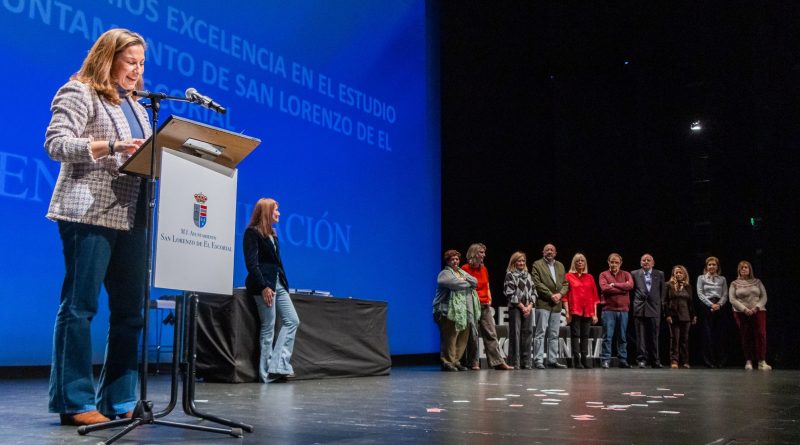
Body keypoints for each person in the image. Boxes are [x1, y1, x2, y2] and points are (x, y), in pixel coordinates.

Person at [45, 28, 152, 426]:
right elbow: (56, 143)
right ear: (108, 58)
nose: (137, 70)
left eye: (141, 64)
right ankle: (74, 401)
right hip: (88, 212)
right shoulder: (80, 92)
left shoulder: (139, 107)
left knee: (130, 312)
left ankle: (119, 399)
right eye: (130, 62)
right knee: (80, 307)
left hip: (132, 215)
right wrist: (109, 146)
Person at [244, 198, 300, 382]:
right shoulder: (252, 233)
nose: (279, 213)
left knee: (292, 320)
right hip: (264, 285)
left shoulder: (273, 234)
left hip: (278, 284)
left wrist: (283, 283)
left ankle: (279, 365)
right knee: (268, 327)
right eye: (276, 209)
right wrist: (263, 286)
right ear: (267, 211)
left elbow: (276, 263)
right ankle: (266, 374)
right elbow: (252, 265)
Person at [460, 243, 513, 370]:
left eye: (484, 252)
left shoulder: (484, 269)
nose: (484, 255)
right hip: (472, 305)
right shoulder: (465, 268)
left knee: (491, 333)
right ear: (473, 254)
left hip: (485, 305)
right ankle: (473, 362)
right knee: (473, 334)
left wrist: (489, 297)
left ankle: (497, 362)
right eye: (481, 252)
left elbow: (487, 285)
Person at [433, 250, 479, 371]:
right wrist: (467, 282)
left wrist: (465, 280)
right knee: (450, 336)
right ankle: (447, 361)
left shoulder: (461, 272)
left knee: (463, 336)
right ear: (447, 261)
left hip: (463, 311)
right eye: (452, 259)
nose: (455, 261)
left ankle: (456, 360)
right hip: (446, 310)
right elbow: (454, 284)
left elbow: (475, 281)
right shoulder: (444, 273)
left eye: (457, 259)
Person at [531, 243, 569, 369]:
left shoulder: (560, 265)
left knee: (554, 333)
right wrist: (550, 294)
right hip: (543, 303)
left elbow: (565, 284)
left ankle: (552, 360)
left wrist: (560, 294)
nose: (549, 251)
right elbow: (537, 283)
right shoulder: (537, 264)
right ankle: (538, 360)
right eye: (547, 250)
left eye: (552, 250)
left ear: (555, 253)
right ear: (543, 252)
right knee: (540, 332)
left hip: (557, 305)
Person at [729, 261, 771, 370]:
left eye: (746, 267)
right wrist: (744, 309)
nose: (744, 269)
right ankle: (748, 361)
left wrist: (756, 307)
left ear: (749, 269)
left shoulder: (757, 282)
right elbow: (732, 299)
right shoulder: (734, 283)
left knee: (761, 335)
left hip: (758, 311)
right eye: (742, 268)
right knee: (746, 336)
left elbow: (764, 297)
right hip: (741, 313)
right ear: (739, 270)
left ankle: (762, 361)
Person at [563, 253, 599, 368]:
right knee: (575, 335)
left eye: (582, 260)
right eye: (577, 261)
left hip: (588, 311)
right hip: (575, 310)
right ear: (574, 263)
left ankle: (584, 359)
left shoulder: (590, 277)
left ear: (585, 263)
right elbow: (565, 296)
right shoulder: (568, 276)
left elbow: (594, 297)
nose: (580, 262)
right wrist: (567, 312)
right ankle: (577, 361)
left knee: (585, 335)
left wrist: (595, 314)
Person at [598, 253, 634, 368]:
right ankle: (605, 360)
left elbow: (630, 286)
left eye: (616, 262)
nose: (614, 264)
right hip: (608, 310)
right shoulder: (603, 274)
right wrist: (622, 289)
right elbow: (605, 288)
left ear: (620, 263)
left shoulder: (626, 274)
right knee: (607, 336)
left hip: (623, 310)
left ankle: (622, 360)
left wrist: (614, 284)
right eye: (612, 262)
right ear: (608, 262)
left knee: (622, 337)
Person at [631, 253, 665, 368]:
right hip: (640, 308)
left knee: (654, 336)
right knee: (640, 337)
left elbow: (662, 292)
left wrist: (660, 306)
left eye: (648, 260)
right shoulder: (634, 274)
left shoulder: (659, 274)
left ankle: (655, 360)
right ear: (640, 263)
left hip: (654, 308)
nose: (646, 262)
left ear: (653, 263)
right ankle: (642, 359)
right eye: (644, 260)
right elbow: (632, 292)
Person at [503, 252, 536, 369]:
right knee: (515, 334)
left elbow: (534, 292)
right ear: (514, 262)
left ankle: (526, 362)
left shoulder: (528, 275)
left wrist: (530, 306)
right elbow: (509, 293)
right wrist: (522, 307)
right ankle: (514, 362)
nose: (521, 263)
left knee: (528, 333)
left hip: (528, 307)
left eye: (523, 261)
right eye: (519, 261)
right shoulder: (510, 275)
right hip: (515, 307)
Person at [696, 256, 729, 368]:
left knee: (719, 334)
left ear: (717, 267)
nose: (711, 266)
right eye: (709, 265)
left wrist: (719, 305)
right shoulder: (701, 278)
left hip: (720, 306)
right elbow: (700, 294)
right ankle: (709, 361)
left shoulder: (722, 279)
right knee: (707, 335)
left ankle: (720, 360)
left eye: (714, 264)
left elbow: (725, 294)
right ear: (706, 266)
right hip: (706, 306)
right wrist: (711, 305)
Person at [664, 265, 696, 369]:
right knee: (675, 339)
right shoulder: (668, 285)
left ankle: (685, 361)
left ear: (684, 274)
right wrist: (667, 314)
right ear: (673, 274)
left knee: (685, 339)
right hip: (673, 316)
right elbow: (664, 301)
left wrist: (693, 315)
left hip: (686, 316)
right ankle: (674, 360)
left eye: (680, 272)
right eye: (676, 272)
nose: (678, 274)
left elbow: (691, 302)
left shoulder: (688, 286)